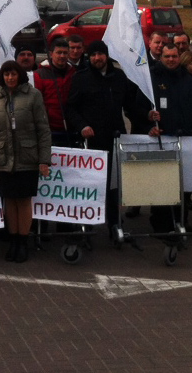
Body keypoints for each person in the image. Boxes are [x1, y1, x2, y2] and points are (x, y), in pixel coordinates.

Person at [64, 40, 153, 238]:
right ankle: (88, 223)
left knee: (114, 185)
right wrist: (82, 126)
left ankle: (114, 223)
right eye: (93, 55)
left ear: (107, 55)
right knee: (91, 184)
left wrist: (147, 116)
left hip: (115, 138)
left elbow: (130, 105)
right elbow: (70, 108)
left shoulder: (119, 77)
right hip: (91, 141)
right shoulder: (81, 78)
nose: (97, 58)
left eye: (100, 54)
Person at [0, 60, 51, 263]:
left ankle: (23, 242)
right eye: (6, 74)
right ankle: (13, 240)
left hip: (27, 157)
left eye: (13, 74)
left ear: (20, 75)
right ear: (2, 77)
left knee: (24, 200)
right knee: (9, 200)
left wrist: (44, 160)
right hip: (3, 158)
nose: (10, 78)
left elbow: (43, 130)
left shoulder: (33, 95)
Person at [146, 42, 192, 236]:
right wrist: (148, 120)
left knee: (180, 184)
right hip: (160, 140)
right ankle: (160, 223)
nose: (171, 60)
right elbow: (138, 106)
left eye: (174, 56)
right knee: (161, 184)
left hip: (184, 139)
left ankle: (181, 220)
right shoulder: (151, 78)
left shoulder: (188, 80)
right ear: (161, 57)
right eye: (167, 56)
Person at [34, 38, 75, 145]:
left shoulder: (74, 73)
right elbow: (38, 103)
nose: (62, 56)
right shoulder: (39, 74)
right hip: (49, 129)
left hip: (72, 128)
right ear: (51, 54)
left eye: (65, 53)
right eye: (59, 52)